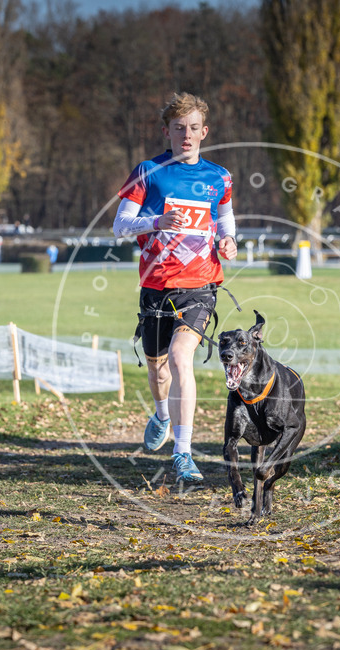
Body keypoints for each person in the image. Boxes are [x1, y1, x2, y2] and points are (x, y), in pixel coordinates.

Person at [112, 92, 238, 483]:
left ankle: (183, 453)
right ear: (166, 131)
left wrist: (228, 241)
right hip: (156, 286)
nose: (187, 135)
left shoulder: (219, 176)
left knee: (182, 357)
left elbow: (225, 220)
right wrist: (156, 223)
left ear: (205, 132)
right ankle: (162, 413)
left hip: (200, 286)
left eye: (194, 128)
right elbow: (119, 226)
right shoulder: (148, 171)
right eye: (179, 128)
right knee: (158, 369)